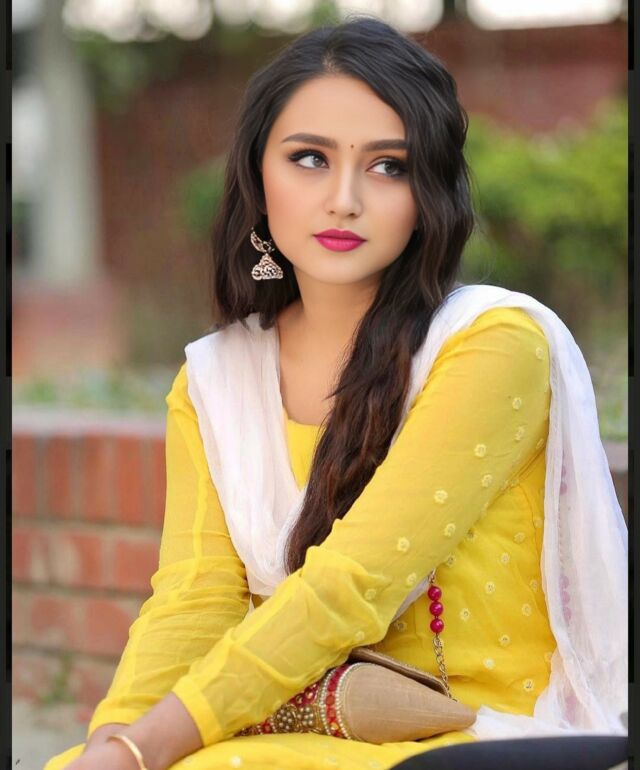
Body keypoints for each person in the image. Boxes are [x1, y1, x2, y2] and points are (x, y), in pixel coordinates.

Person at [45, 16, 627, 770]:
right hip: (314, 727)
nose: (344, 199)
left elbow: (350, 586)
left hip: (486, 731)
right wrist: (116, 742)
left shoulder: (490, 344)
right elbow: (193, 601)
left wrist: (147, 747)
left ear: (427, 192)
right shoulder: (216, 381)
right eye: (310, 158)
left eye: (387, 166)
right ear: (258, 178)